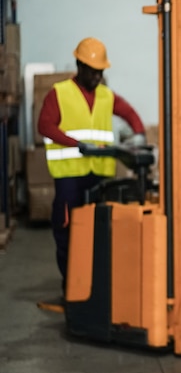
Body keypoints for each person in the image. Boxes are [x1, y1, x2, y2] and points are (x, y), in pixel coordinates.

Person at [38, 37, 146, 295]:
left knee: (99, 235)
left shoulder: (106, 96)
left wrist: (139, 135)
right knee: (67, 233)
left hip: (99, 178)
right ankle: (72, 287)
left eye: (101, 72)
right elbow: (45, 126)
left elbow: (130, 113)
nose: (97, 77)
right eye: (93, 71)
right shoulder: (60, 93)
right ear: (79, 65)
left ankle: (96, 289)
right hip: (70, 179)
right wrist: (76, 144)